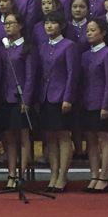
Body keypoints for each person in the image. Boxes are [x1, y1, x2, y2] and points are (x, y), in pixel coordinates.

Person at [37, 12, 79, 192]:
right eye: (47, 23)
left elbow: (72, 74)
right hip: (45, 96)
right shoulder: (43, 46)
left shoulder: (68, 45)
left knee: (63, 136)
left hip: (61, 97)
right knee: (50, 137)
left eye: (53, 23)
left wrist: (68, 97)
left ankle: (63, 175)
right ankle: (53, 173)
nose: (49, 26)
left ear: (61, 26)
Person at [0, 12, 37, 187]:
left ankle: (22, 173)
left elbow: (30, 76)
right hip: (5, 97)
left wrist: (26, 100)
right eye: (5, 24)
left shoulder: (27, 47)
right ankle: (11, 173)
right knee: (9, 137)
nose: (7, 26)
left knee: (23, 135)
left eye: (11, 23)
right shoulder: (4, 47)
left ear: (20, 26)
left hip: (20, 97)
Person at [80, 19, 108, 193]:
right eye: (87, 30)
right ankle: (94, 175)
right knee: (91, 140)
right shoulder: (85, 55)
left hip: (101, 102)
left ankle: (104, 176)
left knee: (104, 139)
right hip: (87, 102)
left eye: (93, 30)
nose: (89, 33)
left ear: (103, 33)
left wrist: (106, 105)